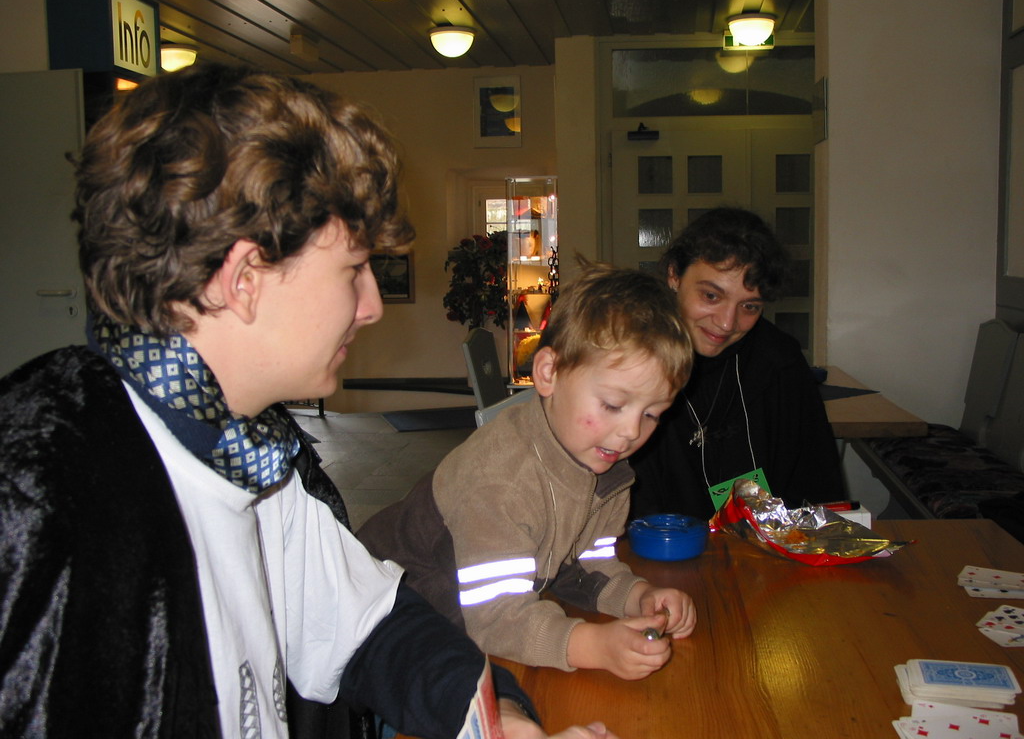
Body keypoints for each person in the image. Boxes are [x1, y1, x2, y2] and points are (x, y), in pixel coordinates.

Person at [0, 63, 619, 739]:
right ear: (245, 278)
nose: (372, 305)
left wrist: (504, 724)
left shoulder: (247, 447)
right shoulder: (41, 500)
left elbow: (371, 626)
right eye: (353, 270)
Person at [359, 264, 697, 681]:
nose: (631, 432)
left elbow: (584, 564)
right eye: (612, 404)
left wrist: (639, 596)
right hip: (385, 622)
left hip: (461, 628)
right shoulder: (501, 480)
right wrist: (593, 644)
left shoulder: (606, 469)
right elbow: (496, 618)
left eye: (652, 414)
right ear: (548, 373)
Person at [628, 207, 846, 522]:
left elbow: (817, 485)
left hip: (764, 547)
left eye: (749, 306)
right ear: (674, 275)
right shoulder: (630, 357)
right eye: (711, 296)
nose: (727, 323)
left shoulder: (779, 363)